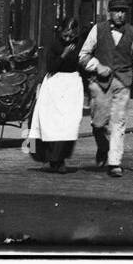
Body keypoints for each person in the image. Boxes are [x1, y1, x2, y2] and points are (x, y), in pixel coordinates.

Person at [79, 0, 133, 178]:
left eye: (123, 11)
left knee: (118, 122)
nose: (120, 15)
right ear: (109, 13)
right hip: (99, 83)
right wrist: (97, 65)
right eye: (116, 11)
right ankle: (102, 145)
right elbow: (83, 55)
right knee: (98, 122)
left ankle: (114, 162)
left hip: (122, 82)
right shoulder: (98, 29)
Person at [29, 18, 86, 173]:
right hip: (55, 84)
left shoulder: (80, 45)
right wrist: (63, 54)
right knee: (52, 123)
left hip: (72, 85)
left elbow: (82, 65)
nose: (68, 39)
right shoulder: (55, 46)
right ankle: (53, 159)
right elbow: (51, 67)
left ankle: (60, 158)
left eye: (71, 36)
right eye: (65, 36)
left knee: (69, 124)